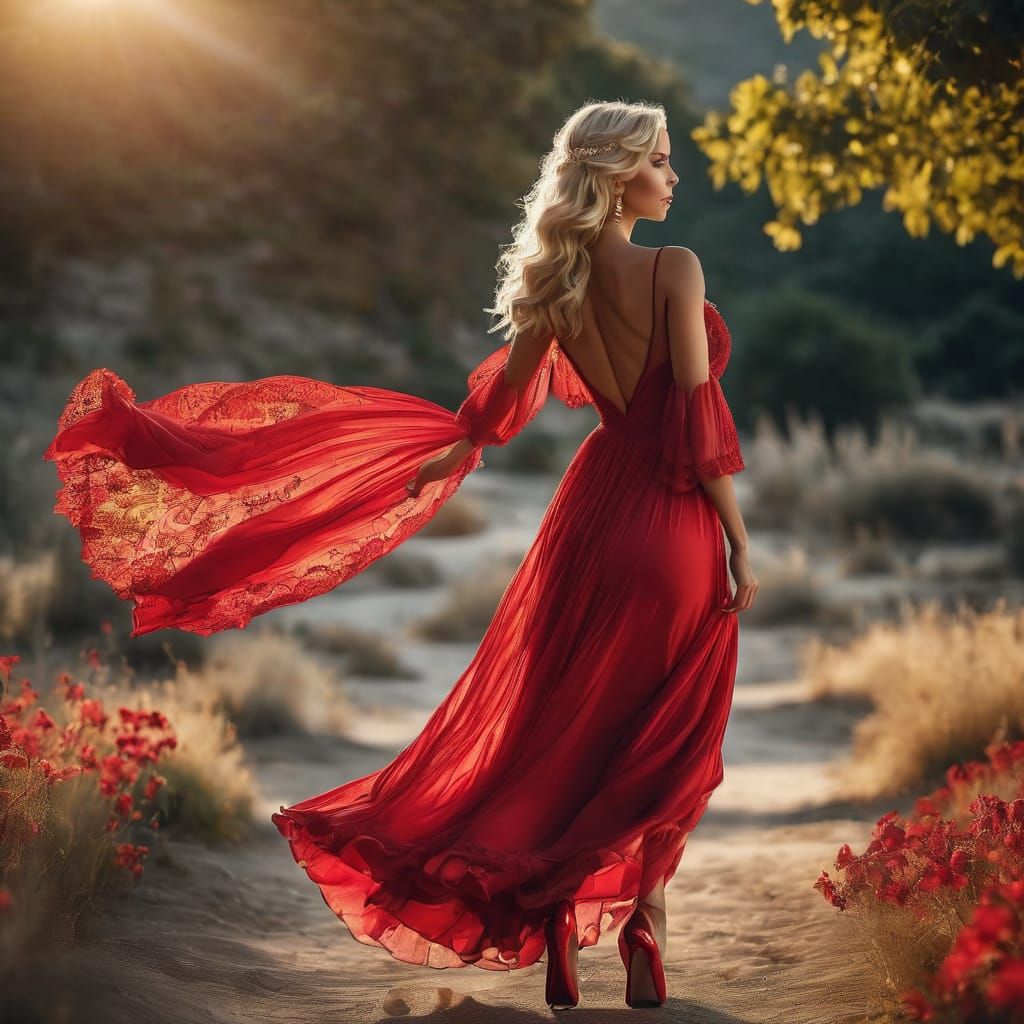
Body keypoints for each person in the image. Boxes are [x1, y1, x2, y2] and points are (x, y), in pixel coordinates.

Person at [42, 99, 757, 1010]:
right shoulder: (676, 267)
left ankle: (554, 931)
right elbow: (696, 412)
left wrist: (457, 449)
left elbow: (497, 407)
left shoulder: (557, 281)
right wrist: (737, 539)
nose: (672, 176)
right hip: (671, 521)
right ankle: (647, 918)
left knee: (561, 732)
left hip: (589, 519)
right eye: (661, 160)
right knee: (671, 735)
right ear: (620, 173)